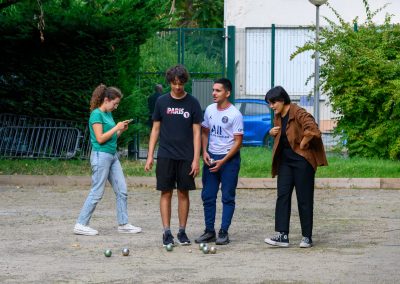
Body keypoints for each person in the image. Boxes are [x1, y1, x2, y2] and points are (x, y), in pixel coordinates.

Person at [144, 64, 203, 247]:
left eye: (180, 83)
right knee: (166, 192)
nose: (177, 87)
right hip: (166, 155)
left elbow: (196, 133)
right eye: (174, 83)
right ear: (169, 82)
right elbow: (155, 129)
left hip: (186, 156)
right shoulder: (161, 102)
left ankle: (182, 231)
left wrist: (196, 159)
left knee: (183, 193)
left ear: (185, 82)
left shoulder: (192, 103)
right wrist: (150, 155)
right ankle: (167, 232)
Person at [263, 86, 328, 248]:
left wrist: (304, 143)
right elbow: (284, 134)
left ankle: (307, 236)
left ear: (282, 100)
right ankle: (282, 235)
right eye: (269, 104)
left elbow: (313, 129)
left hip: (302, 161)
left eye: (273, 103)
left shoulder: (298, 112)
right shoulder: (278, 116)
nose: (271, 106)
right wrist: (272, 132)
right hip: (285, 162)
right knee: (282, 196)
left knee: (304, 198)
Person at [73, 84, 142, 236]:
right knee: (97, 191)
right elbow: (100, 138)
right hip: (100, 156)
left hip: (112, 156)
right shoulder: (96, 114)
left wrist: (120, 131)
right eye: (115, 103)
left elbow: (111, 138)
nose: (116, 107)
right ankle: (81, 224)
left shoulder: (108, 114)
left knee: (122, 190)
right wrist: (116, 127)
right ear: (106, 99)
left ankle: (123, 224)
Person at [195, 78, 243, 245]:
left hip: (228, 161)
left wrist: (223, 161)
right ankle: (209, 231)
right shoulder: (209, 110)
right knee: (208, 195)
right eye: (213, 90)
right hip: (211, 158)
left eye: (218, 90)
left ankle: (224, 231)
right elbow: (205, 132)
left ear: (227, 93)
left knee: (227, 197)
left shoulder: (235, 114)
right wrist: (204, 152)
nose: (214, 93)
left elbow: (238, 142)